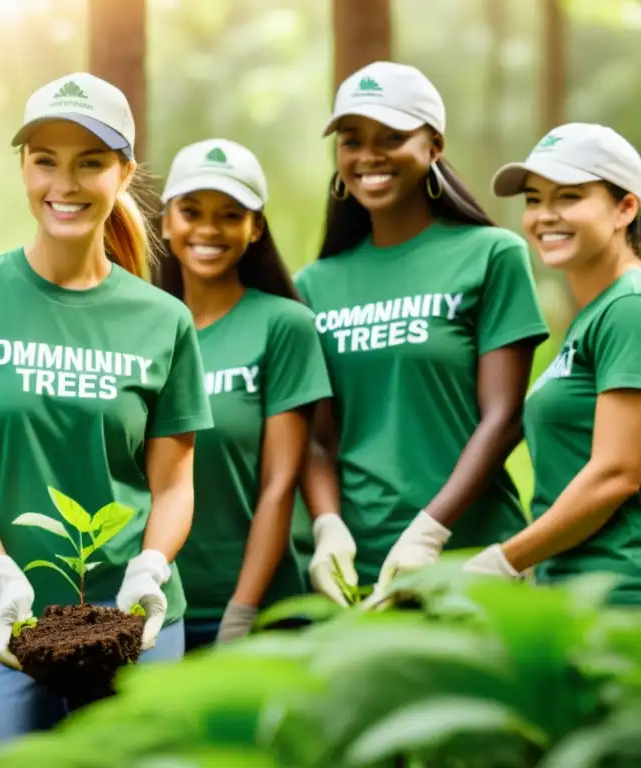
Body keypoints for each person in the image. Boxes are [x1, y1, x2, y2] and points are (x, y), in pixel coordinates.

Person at [0, 71, 213, 758]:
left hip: (131, 617)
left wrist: (152, 567)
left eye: (90, 163)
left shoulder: (164, 320)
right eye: (45, 161)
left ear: (124, 172)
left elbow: (174, 482)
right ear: (23, 167)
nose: (63, 184)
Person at [293, 61, 550, 607]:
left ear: (433, 146)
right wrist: (327, 526)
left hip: (471, 559)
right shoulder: (314, 285)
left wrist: (430, 530)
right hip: (360, 570)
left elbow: (504, 417)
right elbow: (318, 436)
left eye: (392, 137)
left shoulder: (491, 255)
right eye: (352, 140)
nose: (369, 155)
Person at [153, 139, 332, 648]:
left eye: (230, 215)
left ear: (255, 228)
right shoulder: (141, 328)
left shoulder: (284, 325)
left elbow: (279, 483)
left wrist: (243, 610)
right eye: (191, 211)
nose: (208, 229)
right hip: (156, 606)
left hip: (262, 611)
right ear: (167, 221)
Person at [464, 123, 641, 605]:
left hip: (620, 597)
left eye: (569, 197)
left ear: (626, 207)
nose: (545, 216)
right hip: (575, 593)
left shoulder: (630, 306)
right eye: (534, 200)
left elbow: (618, 471)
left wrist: (504, 560)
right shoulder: (597, 315)